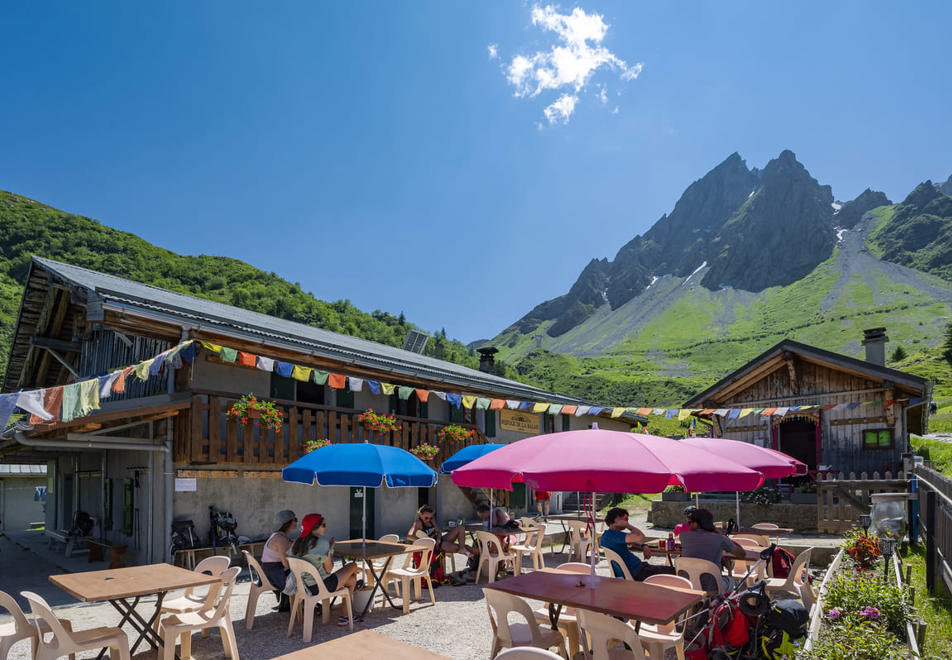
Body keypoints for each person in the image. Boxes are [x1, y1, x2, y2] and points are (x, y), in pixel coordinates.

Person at [290, 513, 362, 626]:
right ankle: (346, 615)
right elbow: (329, 569)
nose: (325, 527)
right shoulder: (322, 544)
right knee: (353, 565)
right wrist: (330, 549)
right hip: (322, 586)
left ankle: (346, 616)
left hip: (304, 587)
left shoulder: (296, 544)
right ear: (315, 527)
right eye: (323, 525)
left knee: (351, 579)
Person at [678, 508, 746, 592]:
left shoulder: (683, 536)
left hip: (688, 584)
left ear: (697, 523)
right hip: (713, 587)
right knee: (742, 584)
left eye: (690, 522)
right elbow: (742, 554)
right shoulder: (719, 538)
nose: (689, 525)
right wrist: (723, 535)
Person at [601, 507, 676, 581]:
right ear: (616, 518)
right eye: (625, 519)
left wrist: (643, 546)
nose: (627, 521)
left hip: (638, 570)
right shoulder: (614, 535)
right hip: (638, 572)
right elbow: (640, 536)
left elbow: (632, 541)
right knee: (677, 571)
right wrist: (627, 526)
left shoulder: (608, 535)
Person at [261, 509, 297, 612]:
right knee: (303, 573)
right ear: (288, 522)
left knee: (297, 571)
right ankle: (308, 602)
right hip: (274, 575)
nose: (297, 522)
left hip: (269, 572)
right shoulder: (281, 539)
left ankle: (287, 604)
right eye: (295, 519)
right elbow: (286, 563)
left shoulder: (277, 535)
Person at [408, 505, 474, 558]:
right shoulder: (418, 522)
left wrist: (439, 538)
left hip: (439, 541)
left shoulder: (432, 520)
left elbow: (438, 531)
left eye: (430, 517)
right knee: (465, 547)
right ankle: (476, 553)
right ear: (420, 515)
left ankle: (463, 549)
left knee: (461, 527)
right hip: (434, 545)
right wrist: (423, 541)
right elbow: (410, 535)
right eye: (426, 518)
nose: (428, 520)